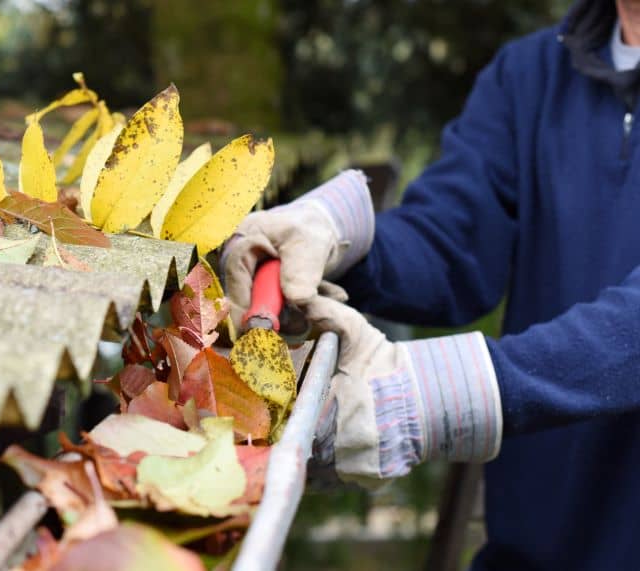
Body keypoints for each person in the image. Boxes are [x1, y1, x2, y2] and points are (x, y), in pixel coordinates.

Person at [223, 0, 640, 568]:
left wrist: (428, 397)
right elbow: (454, 240)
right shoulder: (532, 75)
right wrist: (342, 238)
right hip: (531, 552)